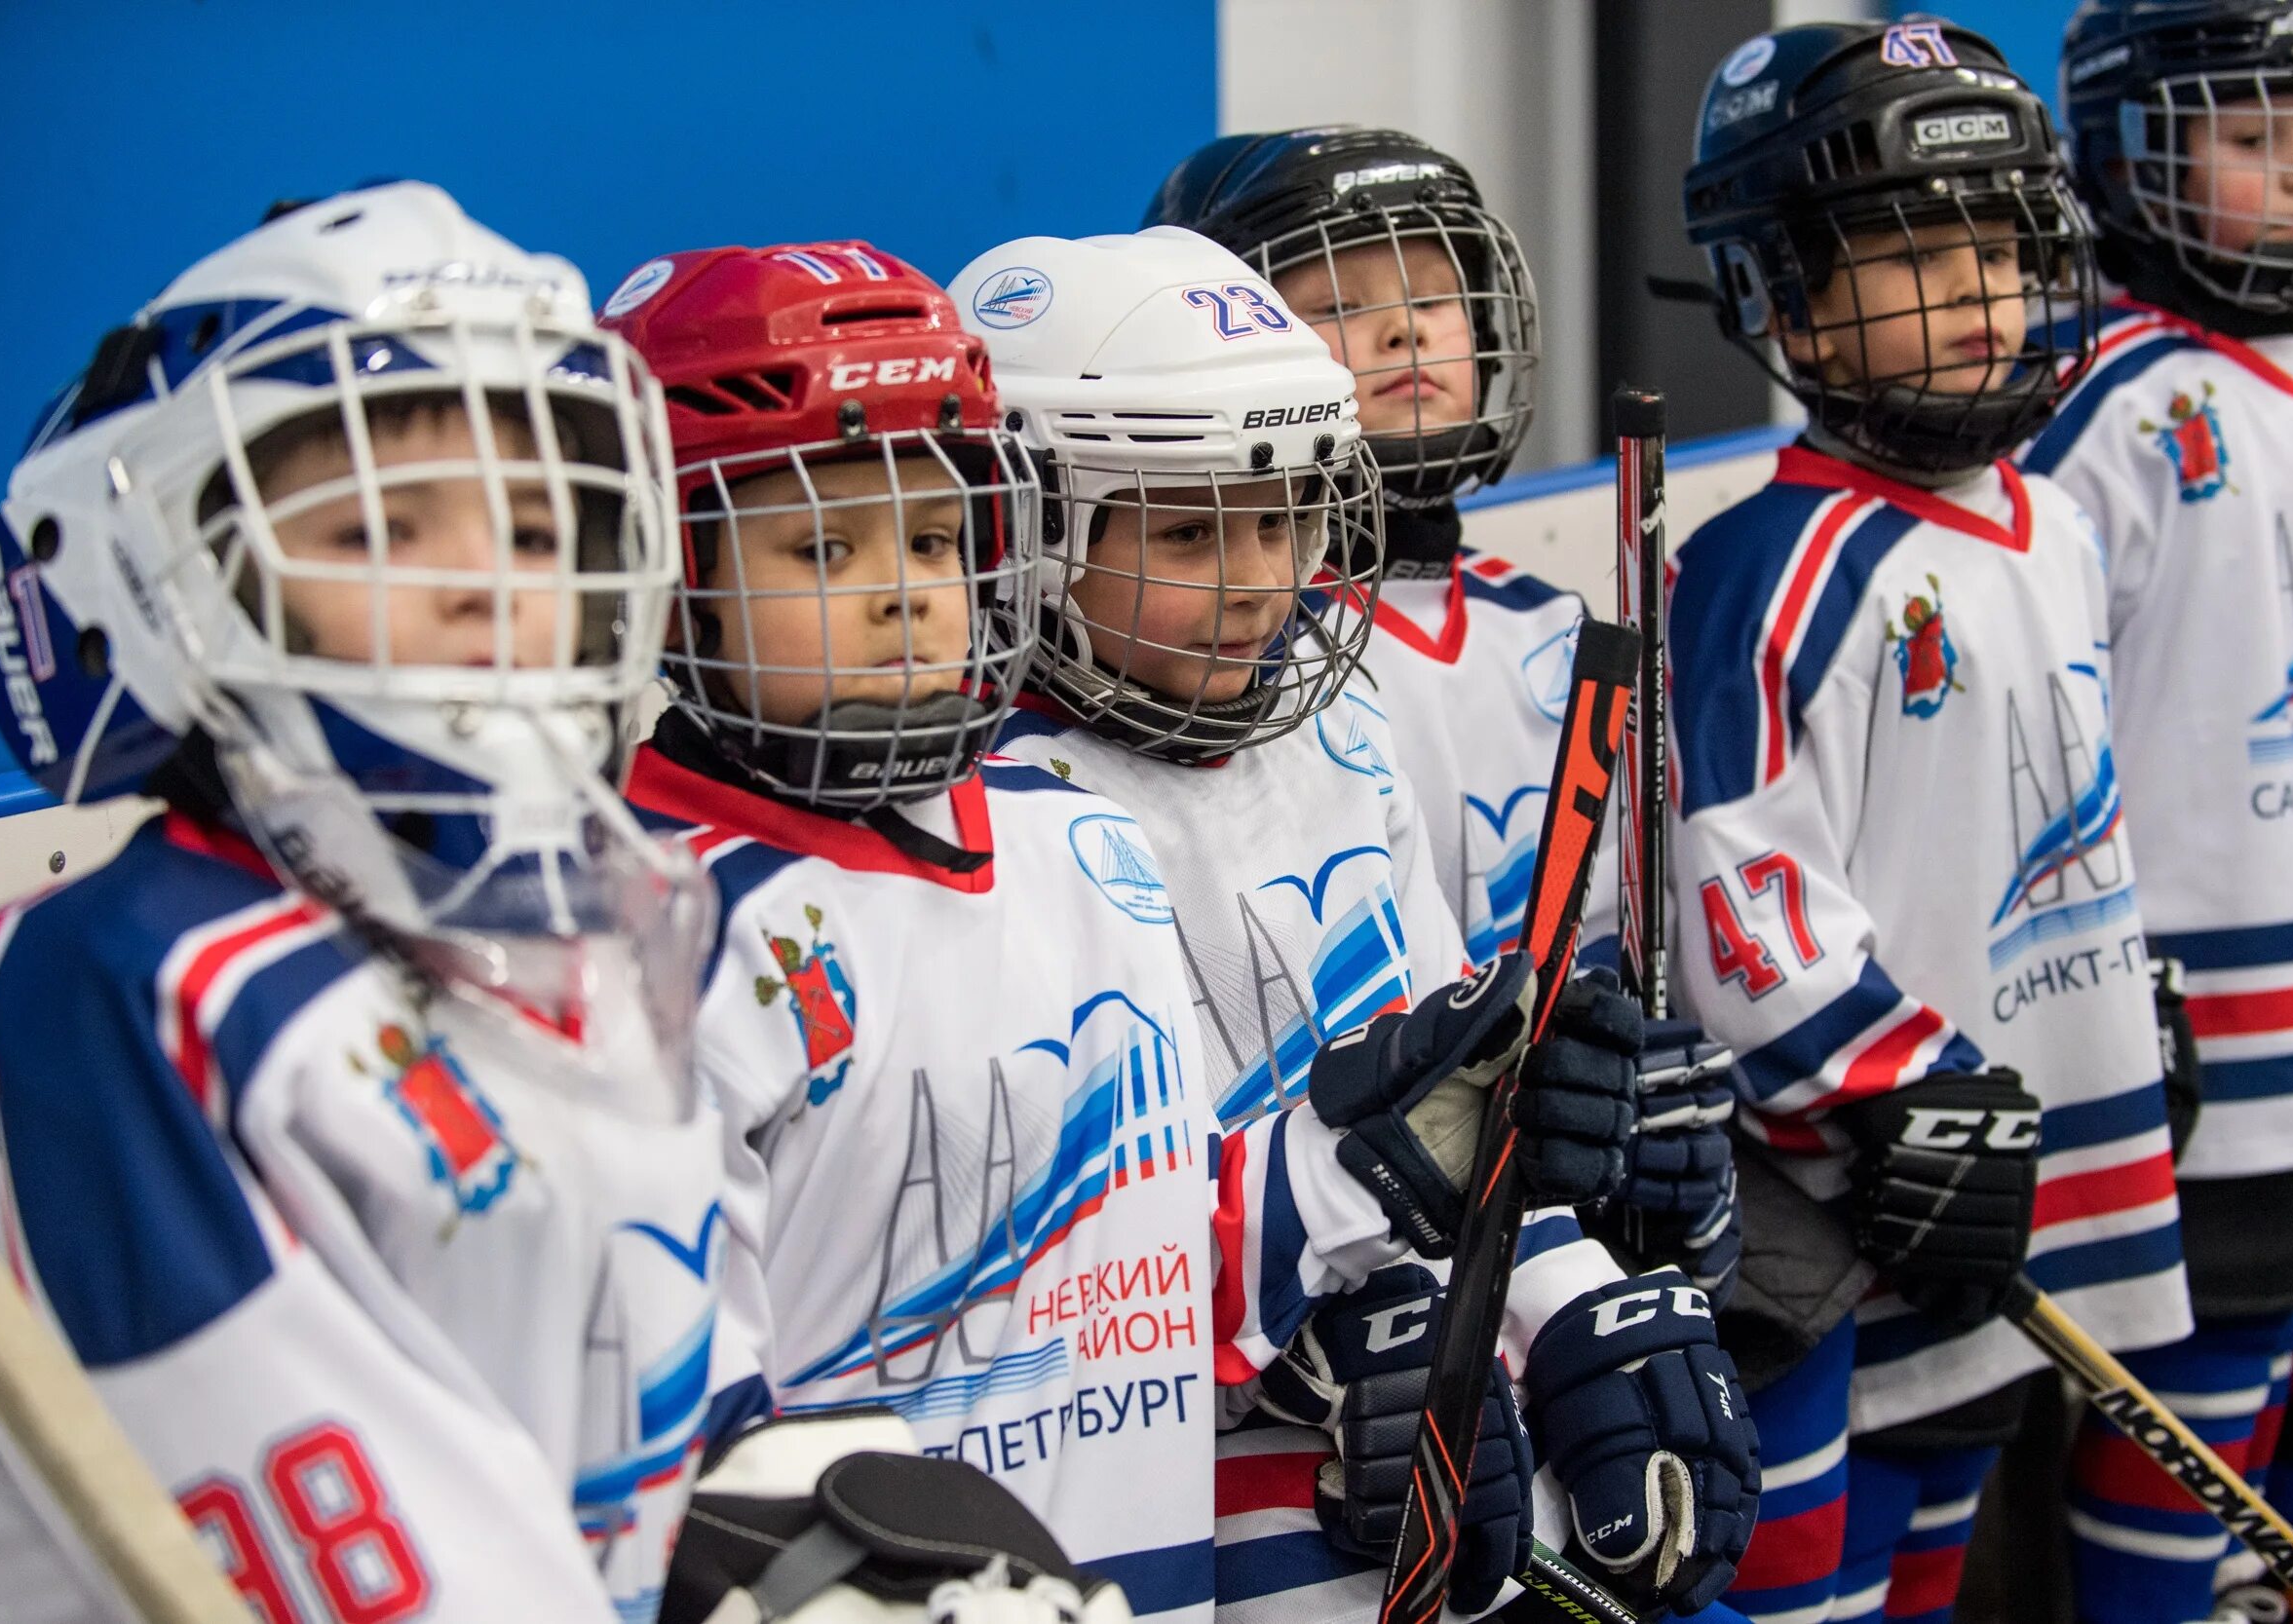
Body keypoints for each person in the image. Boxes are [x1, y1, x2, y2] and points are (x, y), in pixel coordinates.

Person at [598, 238, 1451, 1624]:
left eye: (933, 535)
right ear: (664, 569)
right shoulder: (642, 938)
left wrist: (1394, 1175)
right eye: (824, 543)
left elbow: (1174, 1250)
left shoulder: (1077, 838)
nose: (904, 589)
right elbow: (666, 1436)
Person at [958, 224, 1758, 1624]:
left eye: (1278, 520)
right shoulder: (1003, 823)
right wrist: (1326, 1344)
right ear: (1026, 532)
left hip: (1424, 1397)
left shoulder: (1338, 724)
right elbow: (1076, 1257)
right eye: (1190, 528)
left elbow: (1456, 1080)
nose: (1259, 581)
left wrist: (1572, 1296)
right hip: (1194, 1483)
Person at [0, 181, 724, 1621]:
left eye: (538, 527)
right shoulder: (117, 982)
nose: (486, 586)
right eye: (383, 531)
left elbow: (680, 1382)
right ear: (184, 579)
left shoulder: (599, 936)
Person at [1670, 21, 2197, 1624]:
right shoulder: (1768, 568)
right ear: (1788, 295)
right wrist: (1890, 1092)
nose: (1979, 289)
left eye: (2000, 243)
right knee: (1865, 1511)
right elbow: (1736, 888)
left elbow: (2071, 808)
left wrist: (2139, 993)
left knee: (1966, 1501)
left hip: (2040, 1146)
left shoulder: (2050, 516)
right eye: (1913, 252)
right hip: (1891, 1184)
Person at [1140, 126, 1742, 1311]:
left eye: (1433, 295)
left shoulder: (1561, 629)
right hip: (1379, 1215)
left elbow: (1626, 924)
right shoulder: (1240, 666)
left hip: (1564, 1190)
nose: (1406, 331)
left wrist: (1646, 1077)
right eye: (1338, 305)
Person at [2024, 3, 2293, 1616]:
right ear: (2129, 153)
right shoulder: (2096, 399)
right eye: (2257, 141)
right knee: (2204, 1368)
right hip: (2202, 1019)